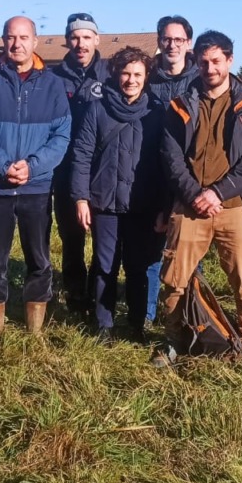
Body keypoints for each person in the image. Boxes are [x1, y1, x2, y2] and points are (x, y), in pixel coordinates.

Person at [156, 30, 242, 366]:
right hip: (190, 205)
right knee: (175, 278)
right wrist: (196, 194)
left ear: (230, 60)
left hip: (235, 205)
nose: (210, 68)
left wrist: (218, 192)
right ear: (196, 61)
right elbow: (171, 158)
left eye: (216, 61)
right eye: (204, 62)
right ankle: (175, 339)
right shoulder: (179, 106)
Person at [0, 16, 72, 344]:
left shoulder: (52, 84)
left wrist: (32, 167)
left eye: (24, 37)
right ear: (3, 40)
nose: (17, 44)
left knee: (39, 259)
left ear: (35, 41)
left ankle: (34, 332)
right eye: (11, 37)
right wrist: (3, 165)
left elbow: (61, 135)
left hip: (36, 187)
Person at [69, 47, 165, 342]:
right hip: (105, 202)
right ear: (115, 74)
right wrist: (81, 198)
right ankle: (103, 324)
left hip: (142, 203)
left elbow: (164, 162)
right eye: (125, 73)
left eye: (137, 74)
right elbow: (82, 154)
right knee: (105, 265)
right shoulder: (97, 109)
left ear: (146, 77)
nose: (131, 80)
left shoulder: (156, 113)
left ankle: (136, 324)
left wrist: (164, 205)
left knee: (138, 266)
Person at [50, 12, 110, 316]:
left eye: (86, 37)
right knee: (71, 238)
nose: (81, 43)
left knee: (103, 239)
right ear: (66, 41)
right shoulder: (53, 78)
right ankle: (76, 298)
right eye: (74, 37)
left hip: (102, 169)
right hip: (64, 170)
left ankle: (100, 298)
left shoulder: (111, 73)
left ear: (97, 39)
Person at [144, 15, 199, 323]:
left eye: (179, 40)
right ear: (159, 41)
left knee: (190, 250)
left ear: (188, 43)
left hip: (188, 176)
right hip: (151, 173)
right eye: (167, 39)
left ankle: (190, 313)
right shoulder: (147, 78)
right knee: (152, 248)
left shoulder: (199, 79)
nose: (172, 45)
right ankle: (149, 313)